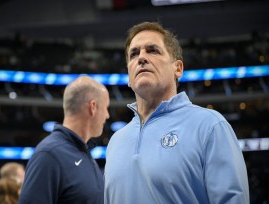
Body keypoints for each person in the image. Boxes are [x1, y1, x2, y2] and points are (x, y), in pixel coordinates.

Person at [104, 21, 249, 204]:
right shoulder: (116, 141)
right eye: (134, 54)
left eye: (152, 50)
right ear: (128, 78)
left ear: (178, 68)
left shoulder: (209, 126)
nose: (141, 58)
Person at [19, 76, 110, 204]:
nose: (107, 115)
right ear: (93, 107)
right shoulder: (48, 155)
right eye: (106, 107)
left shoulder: (82, 151)